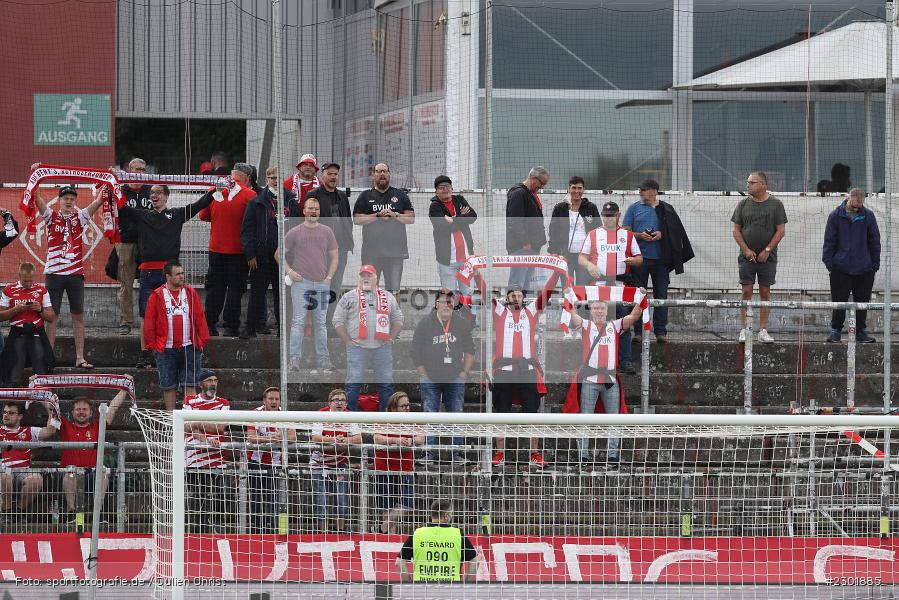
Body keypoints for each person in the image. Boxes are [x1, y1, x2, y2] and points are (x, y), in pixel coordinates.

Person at [118, 184, 214, 368]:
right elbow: (122, 206)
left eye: (159, 193)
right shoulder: (143, 215)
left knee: (173, 312)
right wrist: (110, 187)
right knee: (146, 314)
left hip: (169, 273)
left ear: (167, 196)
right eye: (152, 193)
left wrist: (215, 190)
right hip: (147, 272)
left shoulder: (177, 214)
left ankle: (170, 351)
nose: (154, 195)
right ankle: (146, 354)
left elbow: (199, 204)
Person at [490, 273, 561, 469]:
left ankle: (534, 454)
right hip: (504, 369)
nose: (516, 298)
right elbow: (485, 290)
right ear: (507, 298)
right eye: (512, 295)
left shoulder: (530, 311)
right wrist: (478, 271)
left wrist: (558, 272)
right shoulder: (499, 311)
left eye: (519, 295)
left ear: (523, 297)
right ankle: (500, 453)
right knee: (501, 413)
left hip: (527, 369)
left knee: (532, 413)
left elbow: (546, 293)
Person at [29, 181, 103, 369]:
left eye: (72, 198)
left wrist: (108, 180)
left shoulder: (81, 217)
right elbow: (37, 199)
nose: (69, 201)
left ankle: (80, 357)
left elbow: (99, 201)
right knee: (51, 316)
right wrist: (35, 178)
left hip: (75, 274)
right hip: (54, 273)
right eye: (66, 198)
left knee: (78, 315)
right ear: (59, 200)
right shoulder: (51, 216)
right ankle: (48, 357)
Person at [565, 297, 644, 467]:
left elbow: (634, 317)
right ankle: (583, 456)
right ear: (591, 310)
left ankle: (613, 456)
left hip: (609, 380)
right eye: (596, 308)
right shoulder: (586, 325)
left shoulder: (614, 326)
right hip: (590, 380)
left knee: (614, 419)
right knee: (584, 419)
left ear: (607, 311)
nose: (599, 311)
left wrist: (640, 298)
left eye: (602, 308)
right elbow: (572, 313)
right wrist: (569, 296)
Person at [622, 179, 694, 343]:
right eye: (640, 189)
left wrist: (662, 235)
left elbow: (675, 232)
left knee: (661, 296)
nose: (641, 192)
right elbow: (625, 232)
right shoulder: (634, 208)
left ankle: (661, 332)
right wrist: (640, 235)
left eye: (644, 189)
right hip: (639, 260)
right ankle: (638, 331)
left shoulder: (666, 209)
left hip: (661, 261)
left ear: (654, 191)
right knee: (638, 296)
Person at [578, 201, 643, 374]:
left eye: (612, 215)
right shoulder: (593, 234)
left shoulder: (628, 236)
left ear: (618, 215)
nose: (608, 219)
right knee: (596, 325)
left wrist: (632, 261)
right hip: (599, 287)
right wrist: (590, 266)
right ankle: (592, 361)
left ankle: (625, 361)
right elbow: (581, 258)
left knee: (624, 324)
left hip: (621, 286)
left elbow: (639, 258)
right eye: (605, 216)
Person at [411, 289, 474, 464]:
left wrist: (464, 373)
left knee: (456, 415)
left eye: (450, 302)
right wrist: (422, 372)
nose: (446, 305)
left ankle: (457, 454)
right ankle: (428, 453)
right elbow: (415, 349)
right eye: (443, 301)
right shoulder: (425, 323)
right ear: (435, 304)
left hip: (454, 377)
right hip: (430, 377)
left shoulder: (461, 323)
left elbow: (470, 350)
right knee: (430, 415)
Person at [278, 197, 339, 372]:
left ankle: (324, 360)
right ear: (304, 211)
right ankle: (294, 360)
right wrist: (289, 271)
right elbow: (278, 254)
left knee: (320, 323)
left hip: (321, 283)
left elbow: (335, 256)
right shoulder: (295, 232)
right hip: (301, 283)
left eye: (317, 209)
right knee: (298, 322)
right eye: (311, 208)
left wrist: (329, 277)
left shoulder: (327, 231)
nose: (314, 211)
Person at [333, 265, 404, 411]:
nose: (366, 278)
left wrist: (391, 337)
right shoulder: (348, 297)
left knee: (386, 384)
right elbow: (337, 320)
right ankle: (352, 418)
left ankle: (385, 419)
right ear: (358, 278)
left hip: (382, 347)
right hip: (357, 348)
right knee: (353, 383)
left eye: (369, 275)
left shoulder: (387, 296)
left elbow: (399, 319)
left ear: (376, 278)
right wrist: (347, 340)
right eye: (363, 275)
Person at [241, 166, 299, 339]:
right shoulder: (256, 202)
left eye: (278, 177)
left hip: (285, 259)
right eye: (272, 177)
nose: (275, 180)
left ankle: (283, 330)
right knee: (257, 294)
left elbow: (298, 229)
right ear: (266, 179)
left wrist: (295, 256)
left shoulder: (291, 201)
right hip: (261, 257)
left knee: (283, 296)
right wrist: (250, 254)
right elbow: (247, 230)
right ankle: (250, 327)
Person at [143, 260, 210, 410]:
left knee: (190, 384)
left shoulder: (190, 292)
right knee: (169, 386)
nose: (182, 276)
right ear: (168, 276)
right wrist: (153, 345)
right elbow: (149, 321)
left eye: (182, 273)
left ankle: (190, 421)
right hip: (166, 349)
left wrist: (202, 340)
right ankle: (172, 422)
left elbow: (199, 316)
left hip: (189, 346)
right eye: (178, 274)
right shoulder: (158, 295)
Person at [57, 387, 129, 522]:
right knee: (70, 472)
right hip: (71, 475)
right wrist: (40, 386)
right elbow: (51, 408)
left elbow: (112, 408)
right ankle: (72, 513)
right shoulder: (65, 426)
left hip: (92, 475)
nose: (81, 412)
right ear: (72, 412)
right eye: (78, 409)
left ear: (91, 413)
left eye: (84, 410)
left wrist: (124, 389)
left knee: (103, 471)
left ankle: (98, 514)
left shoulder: (98, 426)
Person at [200, 163, 255, 337]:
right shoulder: (250, 196)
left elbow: (203, 216)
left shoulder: (215, 190)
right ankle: (231, 325)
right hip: (239, 251)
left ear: (232, 175)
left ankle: (209, 324)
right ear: (247, 178)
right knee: (235, 289)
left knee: (215, 288)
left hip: (216, 248)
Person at [732, 171, 787, 343]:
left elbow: (781, 231)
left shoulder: (776, 204)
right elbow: (736, 231)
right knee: (746, 291)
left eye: (752, 182)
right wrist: (746, 250)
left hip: (767, 259)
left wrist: (768, 250)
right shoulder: (743, 204)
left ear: (763, 184)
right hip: (746, 258)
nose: (748, 185)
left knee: (765, 292)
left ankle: (763, 330)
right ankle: (745, 329)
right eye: (748, 182)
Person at [822, 188, 880, 343]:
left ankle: (861, 332)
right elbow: (829, 242)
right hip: (840, 269)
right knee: (839, 301)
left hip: (864, 269)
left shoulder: (868, 216)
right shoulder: (835, 216)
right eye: (855, 203)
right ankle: (836, 331)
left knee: (862, 302)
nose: (858, 206)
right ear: (849, 198)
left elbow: (875, 241)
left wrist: (874, 265)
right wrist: (830, 264)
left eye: (861, 203)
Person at [352, 163, 415, 293]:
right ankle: (370, 314)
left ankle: (393, 314)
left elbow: (411, 218)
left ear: (389, 174)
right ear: (373, 175)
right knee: (368, 290)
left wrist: (394, 214)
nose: (382, 174)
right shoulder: (365, 196)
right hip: (371, 254)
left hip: (395, 253)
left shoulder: (400, 195)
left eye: (384, 171)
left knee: (394, 291)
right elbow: (357, 219)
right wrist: (376, 215)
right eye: (378, 171)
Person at [306, 162, 354, 327]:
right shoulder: (314, 194)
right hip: (320, 251)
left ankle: (329, 322)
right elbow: (308, 221)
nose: (333, 177)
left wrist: (348, 243)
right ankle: (317, 324)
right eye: (330, 174)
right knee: (319, 285)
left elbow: (348, 221)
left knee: (335, 286)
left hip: (340, 250)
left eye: (336, 174)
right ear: (322, 176)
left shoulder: (342, 196)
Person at [182, 369, 231, 532]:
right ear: (201, 384)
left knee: (219, 499)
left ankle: (216, 533)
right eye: (209, 380)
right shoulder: (189, 400)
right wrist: (207, 438)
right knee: (198, 499)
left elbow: (221, 427)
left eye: (215, 380)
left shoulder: (223, 403)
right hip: (195, 460)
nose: (213, 384)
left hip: (217, 460)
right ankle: (197, 535)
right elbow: (187, 427)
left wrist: (197, 420)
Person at [309, 388, 361, 533]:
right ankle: (323, 533)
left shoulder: (349, 416)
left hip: (340, 462)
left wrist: (346, 439)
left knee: (342, 500)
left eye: (343, 400)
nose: (339, 403)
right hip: (319, 463)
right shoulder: (321, 414)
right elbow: (315, 437)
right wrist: (333, 440)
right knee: (321, 501)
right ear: (329, 402)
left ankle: (340, 532)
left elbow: (358, 438)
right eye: (336, 400)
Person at [246, 386, 295, 533]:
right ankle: (257, 531)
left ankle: (279, 531)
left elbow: (293, 437)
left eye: (277, 399)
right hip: (256, 463)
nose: (274, 402)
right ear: (264, 400)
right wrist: (269, 439)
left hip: (278, 464)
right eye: (271, 399)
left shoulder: (285, 415)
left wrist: (282, 438)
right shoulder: (255, 414)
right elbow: (250, 437)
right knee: (256, 500)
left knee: (278, 501)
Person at [373, 391, 424, 534]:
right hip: (385, 467)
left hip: (405, 468)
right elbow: (377, 438)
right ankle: (390, 538)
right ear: (394, 407)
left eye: (408, 405)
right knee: (387, 507)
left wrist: (411, 440)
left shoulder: (412, 420)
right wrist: (395, 440)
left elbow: (421, 438)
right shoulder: (383, 419)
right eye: (404, 406)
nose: (407, 408)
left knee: (408, 504)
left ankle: (382, 529)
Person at [396, 499, 480, 583]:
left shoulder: (418, 533)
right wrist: (465, 584)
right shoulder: (457, 534)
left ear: (432, 515)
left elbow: (399, 562)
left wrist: (408, 583)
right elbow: (475, 561)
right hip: (450, 589)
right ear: (446, 516)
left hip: (422, 589)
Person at [0, 262, 56, 386]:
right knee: (14, 371)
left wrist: (40, 309)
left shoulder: (42, 290)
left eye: (31, 280)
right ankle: (12, 402)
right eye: (25, 281)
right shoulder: (8, 290)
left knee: (41, 370)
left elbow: (51, 317)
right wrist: (15, 310)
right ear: (19, 276)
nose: (29, 284)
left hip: (37, 332)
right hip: (17, 332)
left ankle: (43, 397)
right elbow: (0, 316)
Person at [0, 402, 58, 518]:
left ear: (20, 416)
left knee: (36, 479)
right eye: (5, 412)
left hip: (23, 470)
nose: (6, 415)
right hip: (3, 470)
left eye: (11, 413)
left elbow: (51, 430)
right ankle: (6, 512)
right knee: (5, 476)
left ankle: (18, 512)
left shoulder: (28, 431)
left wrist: (50, 409)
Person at [116, 158, 153, 335]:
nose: (140, 172)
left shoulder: (151, 190)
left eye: (143, 169)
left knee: (153, 281)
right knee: (126, 282)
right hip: (126, 241)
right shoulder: (121, 190)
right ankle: (126, 321)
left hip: (148, 241)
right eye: (137, 169)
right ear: (129, 170)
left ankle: (152, 318)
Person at [429, 175, 477, 294]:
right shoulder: (434, 206)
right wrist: (461, 218)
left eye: (447, 186)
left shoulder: (460, 200)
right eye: (441, 187)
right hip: (447, 261)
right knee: (449, 296)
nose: (445, 189)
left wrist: (452, 219)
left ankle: (468, 313)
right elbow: (442, 227)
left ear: (452, 188)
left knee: (468, 294)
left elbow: (472, 217)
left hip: (466, 259)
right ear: (436, 191)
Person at [548, 176, 600, 286]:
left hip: (584, 256)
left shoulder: (591, 208)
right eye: (574, 188)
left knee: (583, 286)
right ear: (568, 189)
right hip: (566, 255)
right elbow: (553, 231)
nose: (577, 191)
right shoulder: (560, 208)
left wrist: (596, 252)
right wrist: (554, 251)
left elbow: (598, 230)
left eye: (579, 188)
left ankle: (582, 304)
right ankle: (568, 304)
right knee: (567, 287)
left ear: (583, 189)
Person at [506, 166, 550, 293]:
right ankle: (513, 311)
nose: (541, 187)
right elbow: (514, 221)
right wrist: (525, 242)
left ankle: (521, 311)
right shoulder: (519, 193)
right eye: (541, 183)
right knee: (517, 284)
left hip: (530, 247)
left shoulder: (529, 194)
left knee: (525, 286)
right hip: (522, 248)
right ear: (532, 178)